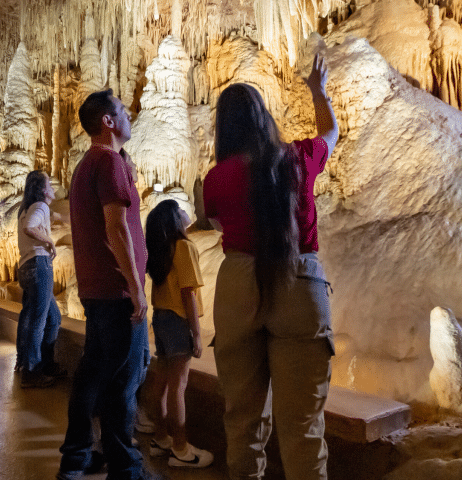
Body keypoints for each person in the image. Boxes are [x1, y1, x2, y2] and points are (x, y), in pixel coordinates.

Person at [202, 54, 339, 480]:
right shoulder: (298, 158)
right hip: (299, 281)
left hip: (239, 283)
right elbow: (331, 133)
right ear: (264, 119)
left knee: (243, 421)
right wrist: (318, 90)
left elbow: (216, 223)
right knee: (303, 428)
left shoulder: (216, 178)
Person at [58, 89, 150, 480]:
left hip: (98, 290)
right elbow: (117, 229)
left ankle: (78, 457)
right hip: (116, 291)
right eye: (124, 113)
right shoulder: (109, 162)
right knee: (124, 379)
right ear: (108, 122)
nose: (131, 117)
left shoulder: (86, 165)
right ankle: (123, 464)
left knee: (94, 372)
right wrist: (136, 286)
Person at [143, 200, 213, 468]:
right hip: (177, 319)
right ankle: (181, 449)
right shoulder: (183, 246)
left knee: (161, 382)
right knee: (177, 386)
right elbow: (188, 292)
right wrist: (196, 333)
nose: (187, 212)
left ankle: (161, 438)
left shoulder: (163, 250)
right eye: (181, 210)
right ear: (174, 219)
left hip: (161, 317)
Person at [15, 170, 66, 388]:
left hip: (26, 267)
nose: (53, 187)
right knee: (38, 319)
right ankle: (32, 370)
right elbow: (30, 228)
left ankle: (35, 361)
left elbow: (48, 218)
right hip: (39, 264)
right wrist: (50, 242)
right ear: (42, 189)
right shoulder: (40, 206)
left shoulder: (26, 208)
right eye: (50, 184)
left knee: (49, 318)